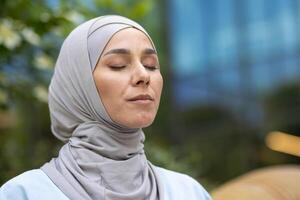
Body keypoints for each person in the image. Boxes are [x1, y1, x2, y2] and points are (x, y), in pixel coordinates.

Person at [0, 15, 211, 200]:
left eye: (151, 65)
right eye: (118, 64)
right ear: (79, 84)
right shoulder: (24, 194)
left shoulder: (188, 192)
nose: (144, 76)